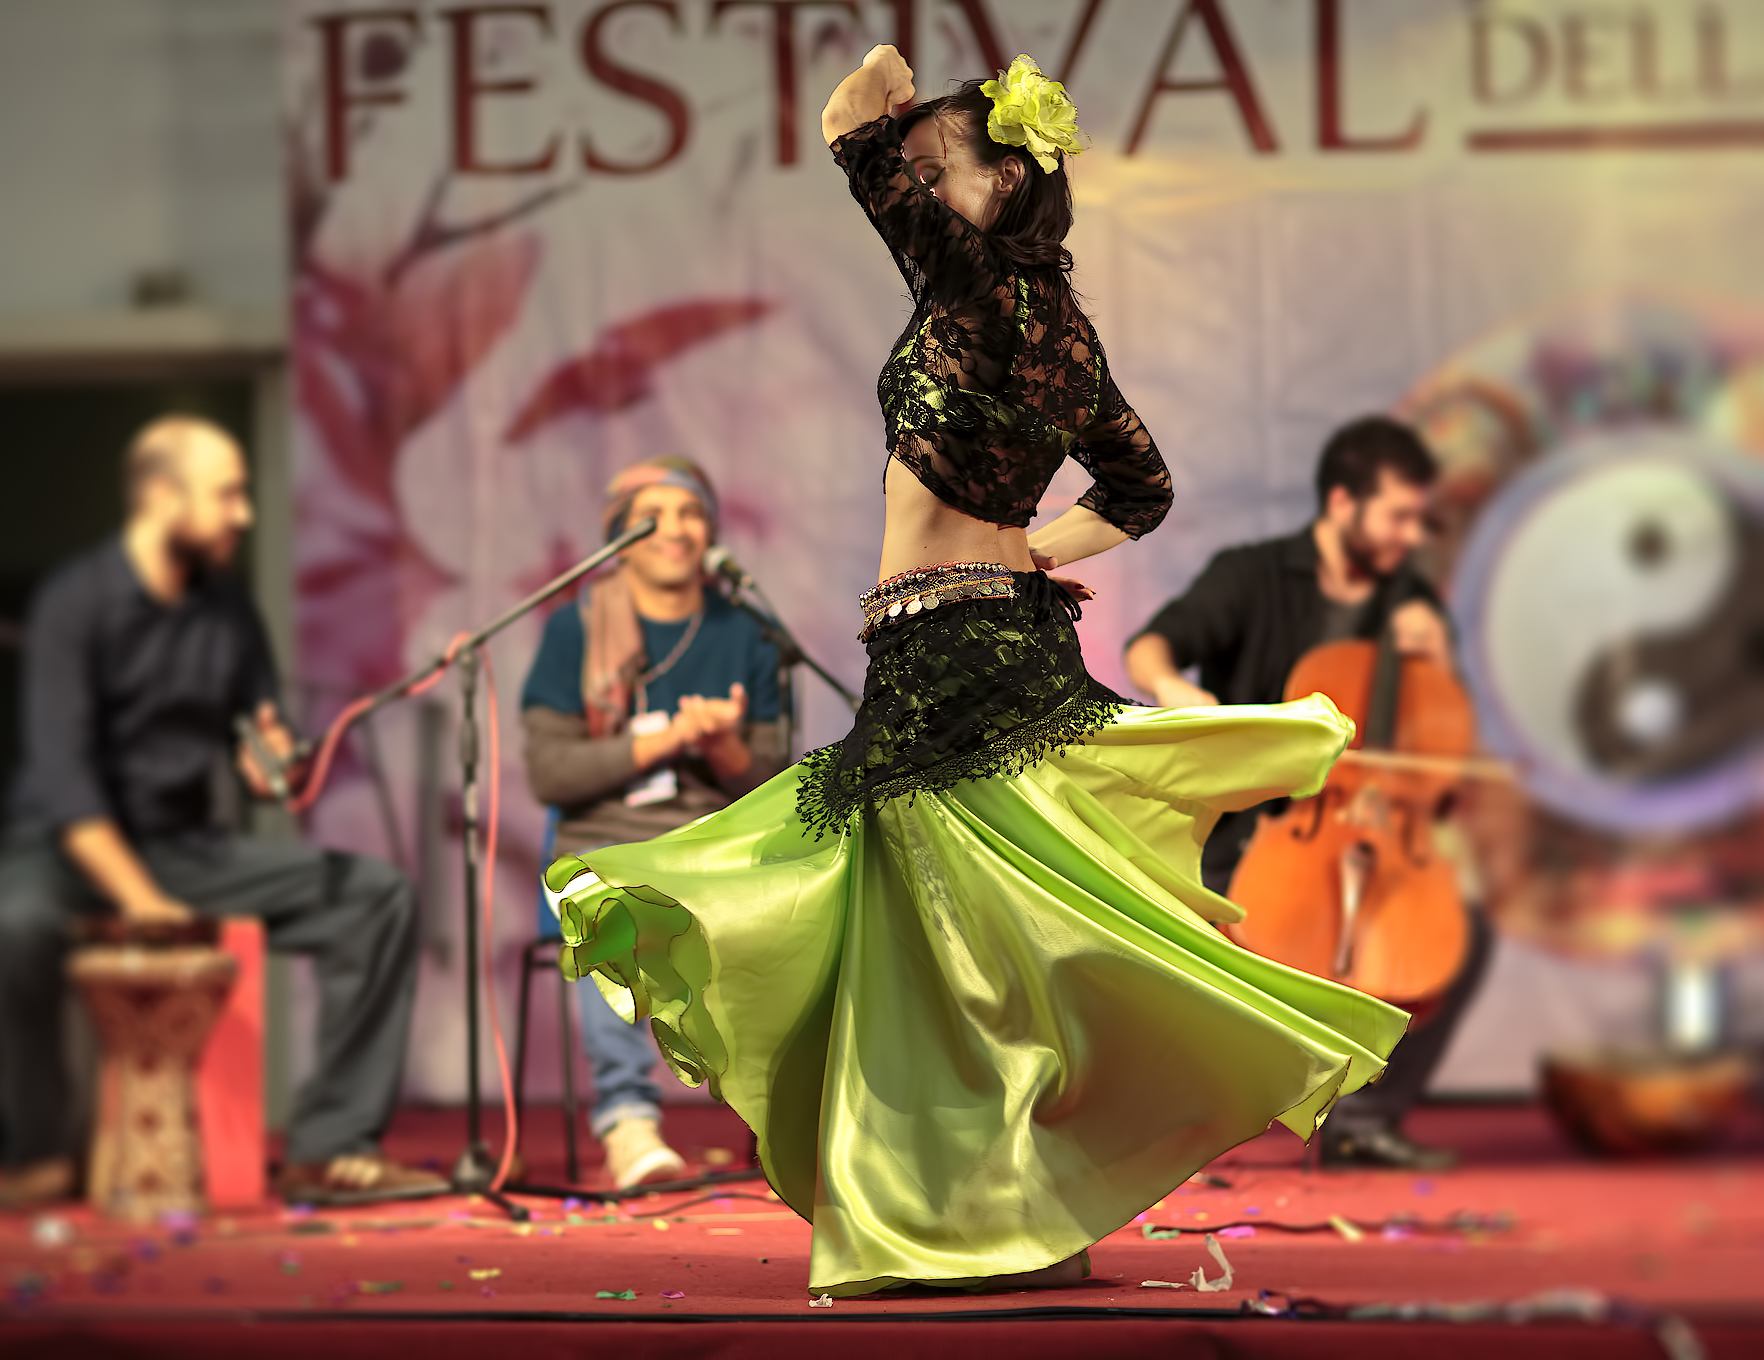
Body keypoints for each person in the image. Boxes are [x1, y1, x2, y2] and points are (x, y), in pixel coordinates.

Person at [544, 49, 1407, 1298]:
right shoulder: (1059, 327)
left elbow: (849, 127)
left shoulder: (976, 284)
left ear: (1005, 181)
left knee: (945, 940)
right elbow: (1142, 489)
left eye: (938, 170)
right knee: (977, 938)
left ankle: (971, 1216)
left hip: (952, 650)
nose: (920, 187)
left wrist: (886, 90)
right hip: (983, 632)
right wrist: (1032, 551)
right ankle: (1011, 1216)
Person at [0, 415, 440, 1210]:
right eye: (228, 494)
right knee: (16, 921)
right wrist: (142, 902)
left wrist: (275, 767)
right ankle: (41, 1149)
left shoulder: (229, 611)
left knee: (377, 898)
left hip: (184, 847)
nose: (244, 514)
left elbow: (262, 746)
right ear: (163, 496)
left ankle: (332, 1146)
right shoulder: (73, 604)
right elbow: (65, 785)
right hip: (66, 850)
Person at [1124, 415, 1494, 1170]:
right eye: (1397, 517)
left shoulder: (1412, 603)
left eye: (1419, 520)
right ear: (1342, 502)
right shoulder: (1251, 575)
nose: (1410, 537)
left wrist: (1440, 661)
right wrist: (1169, 686)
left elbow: (1440, 752)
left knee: (1469, 928)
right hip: (1249, 834)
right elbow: (1151, 646)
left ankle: (1362, 1120)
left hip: (1381, 836)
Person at [521, 456, 788, 1188]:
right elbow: (551, 773)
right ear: (619, 538)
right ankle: (628, 1123)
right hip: (601, 843)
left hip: (706, 840)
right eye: (653, 516)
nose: (675, 530)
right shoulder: (573, 630)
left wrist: (722, 746)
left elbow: (771, 782)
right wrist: (666, 739)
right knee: (604, 906)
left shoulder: (750, 633)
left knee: (797, 899)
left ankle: (781, 1118)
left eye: (691, 513)